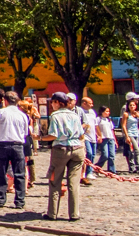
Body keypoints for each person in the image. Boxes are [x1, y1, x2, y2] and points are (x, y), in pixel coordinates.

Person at [41, 92, 85, 221]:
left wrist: (40, 138)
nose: (51, 105)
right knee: (74, 184)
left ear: (58, 103)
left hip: (61, 150)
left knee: (55, 181)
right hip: (77, 150)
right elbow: (82, 135)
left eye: (53, 102)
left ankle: (52, 213)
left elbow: (53, 135)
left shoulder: (55, 116)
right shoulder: (75, 115)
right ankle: (74, 214)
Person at [0, 90, 28, 209]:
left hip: (3, 144)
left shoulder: (1, 112)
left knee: (1, 173)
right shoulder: (22, 115)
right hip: (18, 145)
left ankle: (0, 199)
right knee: (19, 174)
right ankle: (20, 201)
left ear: (5, 101)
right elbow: (25, 133)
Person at [120, 92, 139, 172]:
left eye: (134, 105)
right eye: (131, 105)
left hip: (137, 133)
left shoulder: (136, 113)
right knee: (136, 150)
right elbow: (123, 124)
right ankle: (138, 166)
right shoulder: (125, 112)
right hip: (130, 133)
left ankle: (133, 167)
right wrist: (126, 135)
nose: (132, 106)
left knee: (134, 150)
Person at [19, 100, 39, 189]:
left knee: (27, 162)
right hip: (28, 140)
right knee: (29, 161)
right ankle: (31, 179)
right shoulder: (28, 116)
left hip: (24, 140)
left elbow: (29, 130)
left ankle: (28, 181)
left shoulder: (24, 117)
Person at [80, 97, 98, 183]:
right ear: (84, 103)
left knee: (93, 154)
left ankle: (89, 172)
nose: (92, 105)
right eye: (90, 103)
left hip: (93, 136)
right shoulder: (80, 111)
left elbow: (95, 124)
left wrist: (99, 134)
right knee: (89, 153)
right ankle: (84, 172)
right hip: (85, 136)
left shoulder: (92, 112)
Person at [95, 106, 117, 173]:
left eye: (108, 111)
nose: (108, 113)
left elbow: (112, 130)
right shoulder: (98, 119)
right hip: (104, 138)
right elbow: (96, 127)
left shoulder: (109, 120)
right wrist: (99, 136)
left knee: (112, 155)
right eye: (106, 111)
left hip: (110, 138)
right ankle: (98, 166)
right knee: (105, 155)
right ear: (102, 112)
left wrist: (115, 140)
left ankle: (111, 170)